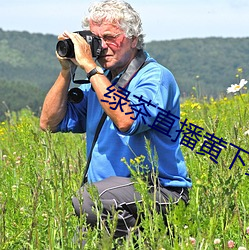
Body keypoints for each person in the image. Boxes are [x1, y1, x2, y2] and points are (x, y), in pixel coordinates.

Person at [40, 0, 192, 244]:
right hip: (110, 199)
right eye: (96, 39)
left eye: (110, 37)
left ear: (133, 39)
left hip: (159, 191)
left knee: (88, 199)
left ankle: (146, 241)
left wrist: (90, 67)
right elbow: (49, 123)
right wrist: (66, 70)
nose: (102, 47)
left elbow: (127, 120)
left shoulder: (153, 77)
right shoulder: (100, 82)